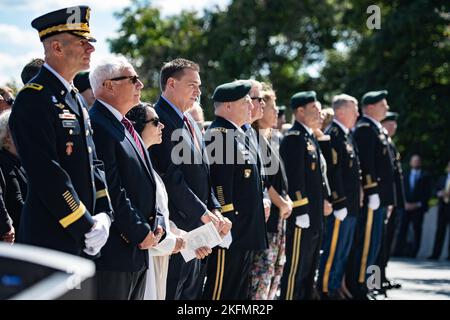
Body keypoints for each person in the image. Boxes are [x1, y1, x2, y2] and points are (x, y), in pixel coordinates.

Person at [9, 6, 112, 256]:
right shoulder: (34, 98)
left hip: (82, 237)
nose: (91, 48)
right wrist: (84, 223)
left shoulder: (74, 98)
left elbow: (92, 163)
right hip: (51, 237)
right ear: (57, 47)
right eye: (82, 42)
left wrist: (104, 214)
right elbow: (46, 171)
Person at [149, 58, 230, 300]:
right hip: (177, 229)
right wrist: (203, 212)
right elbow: (171, 179)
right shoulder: (157, 119)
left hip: (199, 230)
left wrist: (215, 209)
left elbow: (203, 175)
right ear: (171, 83)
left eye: (200, 86)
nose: (198, 91)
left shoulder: (192, 123)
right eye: (192, 85)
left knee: (191, 295)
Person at [88, 56, 166, 300]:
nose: (140, 85)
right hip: (116, 251)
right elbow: (111, 188)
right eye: (132, 79)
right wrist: (139, 230)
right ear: (108, 85)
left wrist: (157, 224)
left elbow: (145, 183)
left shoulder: (122, 124)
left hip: (137, 248)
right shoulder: (98, 124)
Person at [203, 80, 267, 300]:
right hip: (230, 228)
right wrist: (225, 221)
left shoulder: (239, 134)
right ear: (228, 105)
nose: (251, 106)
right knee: (220, 291)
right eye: (246, 101)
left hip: (245, 229)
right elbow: (219, 184)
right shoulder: (219, 135)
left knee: (238, 292)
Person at [126, 102, 186, 299]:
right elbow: (141, 215)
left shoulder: (148, 163)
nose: (162, 126)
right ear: (138, 126)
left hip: (159, 256)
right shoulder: (135, 166)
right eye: (156, 122)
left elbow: (158, 211)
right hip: (147, 256)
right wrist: (170, 241)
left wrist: (179, 234)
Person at [346, 90, 395, 299]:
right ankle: (358, 285)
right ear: (370, 107)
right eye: (382, 104)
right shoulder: (366, 130)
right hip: (372, 198)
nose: (386, 107)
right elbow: (366, 165)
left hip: (381, 199)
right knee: (366, 244)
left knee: (375, 245)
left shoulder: (378, 130)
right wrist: (371, 189)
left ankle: (370, 284)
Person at [279, 91, 327, 300]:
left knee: (309, 268)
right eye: (314, 109)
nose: (319, 113)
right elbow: (293, 177)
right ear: (300, 111)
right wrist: (300, 208)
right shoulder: (294, 138)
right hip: (302, 215)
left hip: (314, 215)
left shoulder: (309, 137)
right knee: (295, 270)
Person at [249, 84, 293, 300]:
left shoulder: (269, 140)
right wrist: (282, 203)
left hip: (277, 219)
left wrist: (287, 200)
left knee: (275, 274)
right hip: (267, 220)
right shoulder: (255, 139)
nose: (276, 112)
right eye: (271, 107)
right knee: (262, 276)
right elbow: (265, 183)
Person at [317, 94, 361, 299]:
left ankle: (334, 285)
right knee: (332, 250)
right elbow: (332, 173)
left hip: (350, 206)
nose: (358, 114)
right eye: (355, 110)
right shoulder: (332, 134)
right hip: (339, 206)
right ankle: (325, 289)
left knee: (342, 251)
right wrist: (339, 201)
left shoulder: (346, 135)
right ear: (341, 112)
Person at [377, 111, 405, 293]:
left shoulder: (390, 143)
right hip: (384, 201)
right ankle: (374, 281)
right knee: (377, 246)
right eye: (390, 122)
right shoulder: (382, 141)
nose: (394, 126)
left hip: (392, 201)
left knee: (385, 244)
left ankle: (381, 277)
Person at [396, 154, 431, 257]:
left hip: (418, 208)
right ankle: (399, 251)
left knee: (417, 229)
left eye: (417, 161)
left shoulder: (425, 176)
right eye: (414, 161)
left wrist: (417, 204)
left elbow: (427, 193)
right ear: (411, 162)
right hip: (405, 206)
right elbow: (401, 190)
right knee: (402, 228)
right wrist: (404, 203)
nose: (415, 163)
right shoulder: (405, 175)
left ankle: (414, 252)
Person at [0, 110, 27, 237]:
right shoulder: (5, 162)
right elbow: (17, 205)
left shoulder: (21, 161)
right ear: (6, 138)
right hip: (17, 237)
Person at [429, 160, 450, 260]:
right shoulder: (442, 178)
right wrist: (439, 193)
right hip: (442, 208)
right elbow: (435, 191)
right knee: (440, 231)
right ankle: (435, 254)